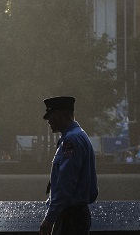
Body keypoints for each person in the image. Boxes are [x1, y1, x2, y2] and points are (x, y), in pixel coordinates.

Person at [40, 96, 98, 235]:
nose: (48, 121)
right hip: (76, 215)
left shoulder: (71, 139)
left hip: (70, 217)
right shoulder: (79, 136)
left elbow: (65, 183)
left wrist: (49, 218)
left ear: (58, 115)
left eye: (50, 116)